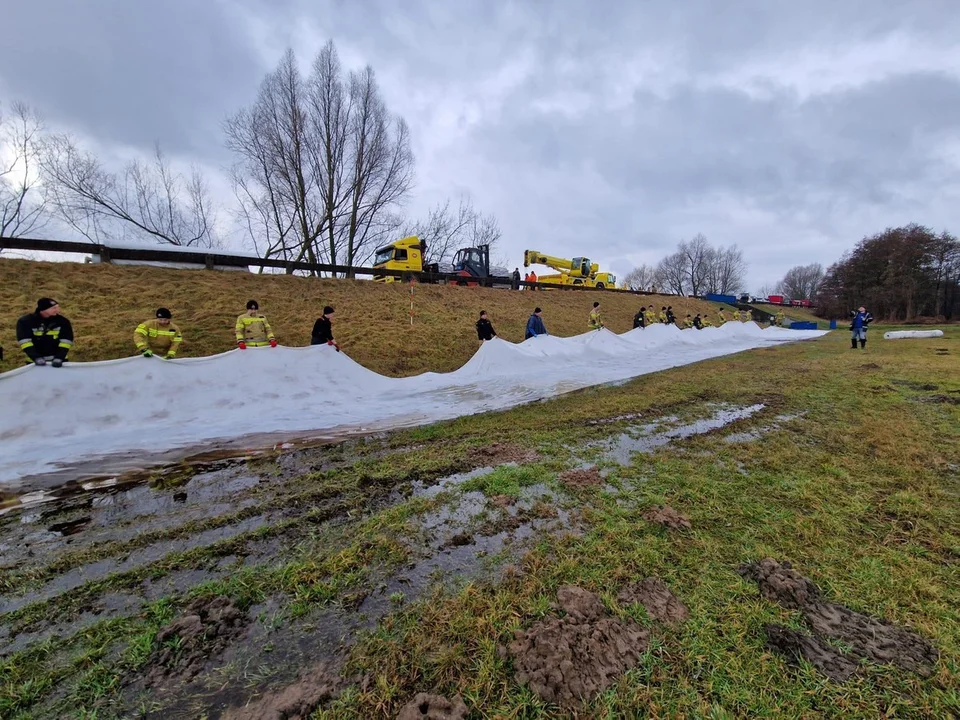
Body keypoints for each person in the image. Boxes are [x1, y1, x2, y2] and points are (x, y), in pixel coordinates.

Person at [16, 297, 74, 367]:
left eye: (58, 307)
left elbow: (66, 341)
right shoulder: (25, 321)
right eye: (54, 308)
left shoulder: (63, 321)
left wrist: (59, 357)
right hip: (34, 363)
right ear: (43, 309)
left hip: (59, 361)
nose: (57, 310)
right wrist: (36, 357)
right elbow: (25, 342)